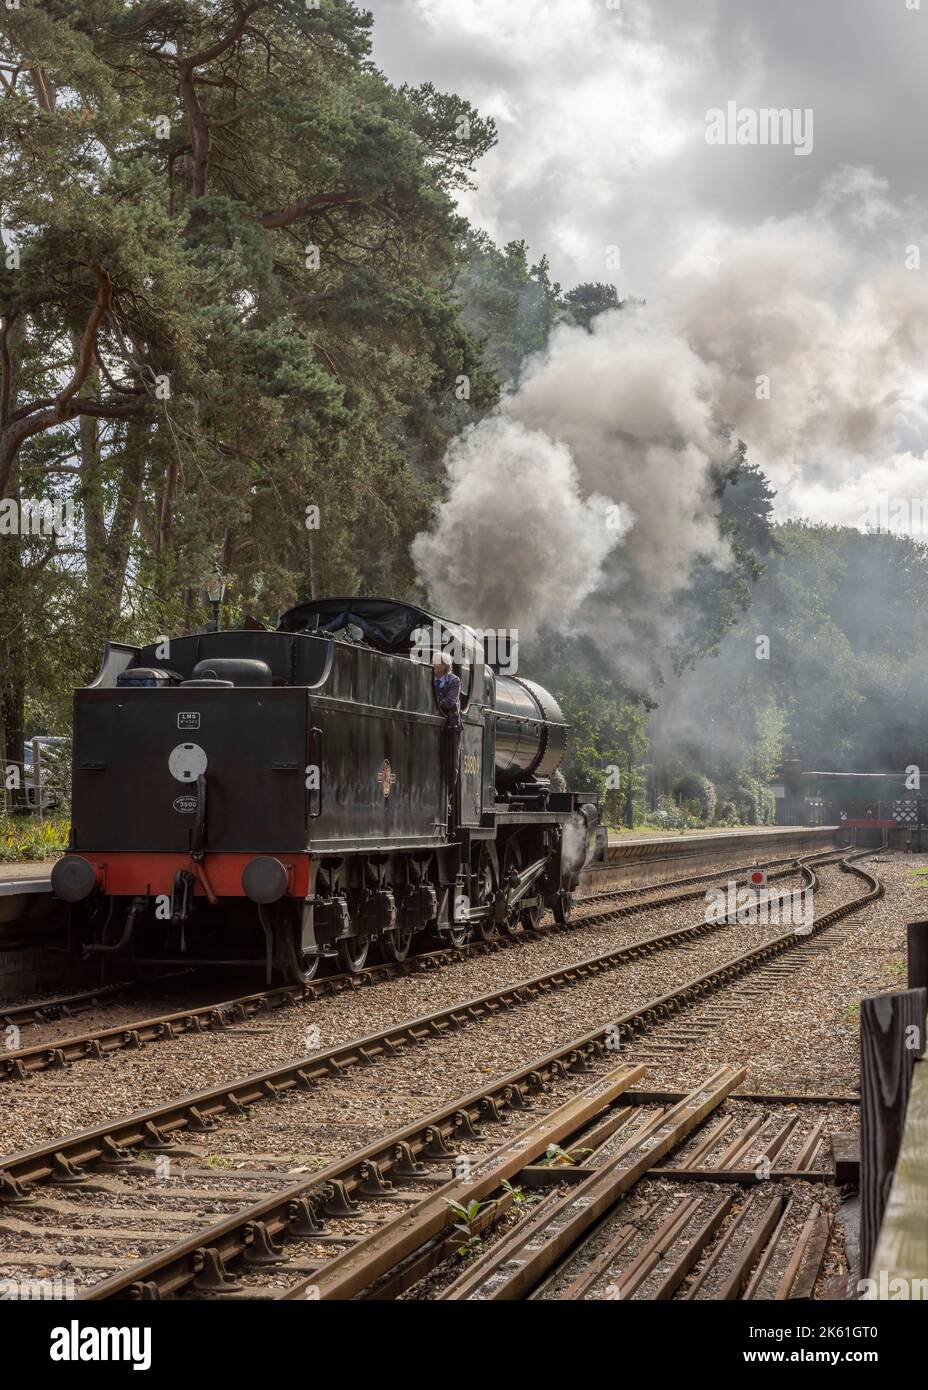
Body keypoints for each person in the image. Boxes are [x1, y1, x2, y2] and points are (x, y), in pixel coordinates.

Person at [432, 651, 462, 788]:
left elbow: (449, 702)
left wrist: (435, 702)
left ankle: (449, 791)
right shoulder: (429, 678)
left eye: (436, 663)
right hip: (434, 724)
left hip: (451, 726)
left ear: (444, 666)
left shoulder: (454, 681)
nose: (433, 666)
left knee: (451, 763)